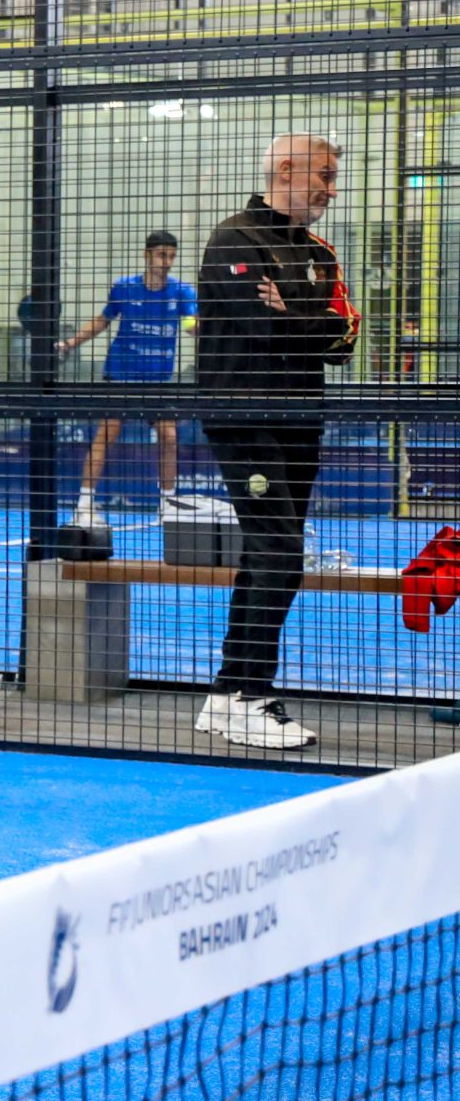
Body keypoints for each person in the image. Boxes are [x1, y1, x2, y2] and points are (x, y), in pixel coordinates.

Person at [192, 135, 360, 751]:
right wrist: (297, 320)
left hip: (301, 419)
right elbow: (263, 326)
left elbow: (346, 338)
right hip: (244, 417)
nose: (331, 190)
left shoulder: (320, 251)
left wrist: (292, 316)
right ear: (286, 170)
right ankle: (250, 696)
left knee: (268, 553)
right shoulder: (234, 239)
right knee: (281, 552)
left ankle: (225, 696)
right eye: (324, 176)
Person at [58, 229, 198, 531]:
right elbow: (102, 320)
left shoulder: (182, 292)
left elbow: (191, 325)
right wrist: (70, 343)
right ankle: (84, 504)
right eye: (161, 255)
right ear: (147, 255)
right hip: (121, 375)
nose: (167, 262)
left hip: (158, 381)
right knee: (107, 433)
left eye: (172, 257)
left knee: (169, 436)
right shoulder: (124, 288)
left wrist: (203, 328)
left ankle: (168, 505)